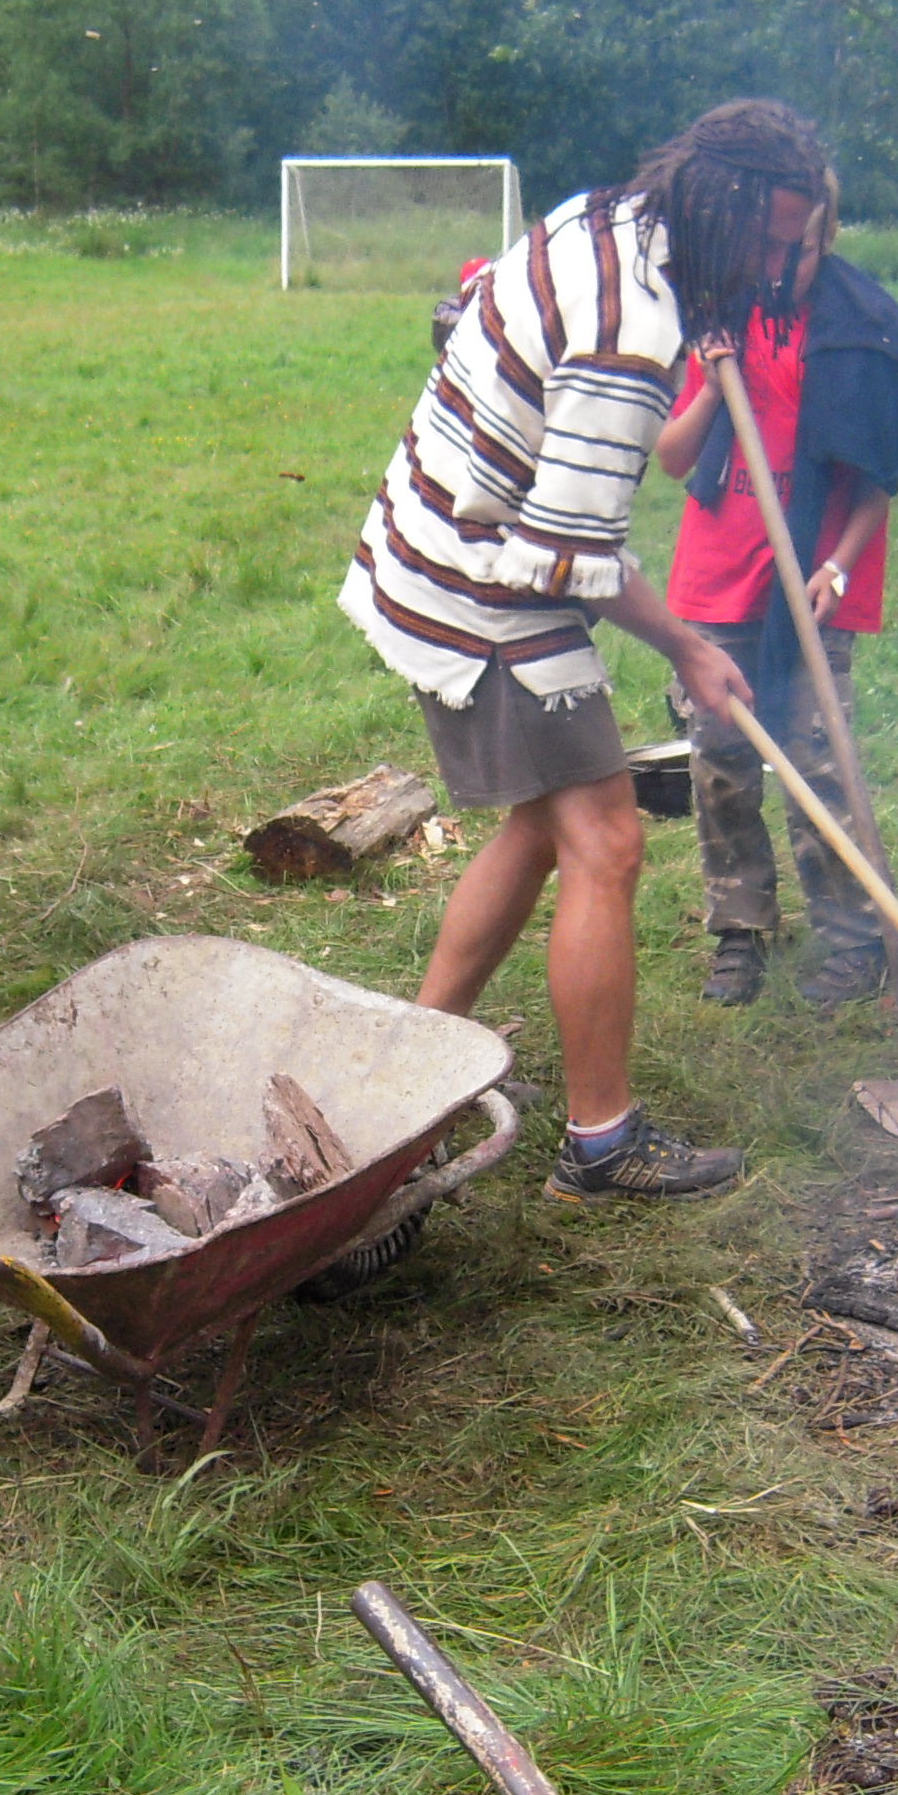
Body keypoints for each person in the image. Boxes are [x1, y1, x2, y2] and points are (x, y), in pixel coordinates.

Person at [339, 98, 830, 1203]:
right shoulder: (631, 330)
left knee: (544, 822)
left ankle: (412, 1077)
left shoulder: (609, 217)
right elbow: (570, 562)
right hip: (486, 581)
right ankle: (601, 1144)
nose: (772, 270)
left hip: (441, 541)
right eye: (767, 243)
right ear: (718, 206)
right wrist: (691, 648)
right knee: (606, 839)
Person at [651, 170, 898, 1009]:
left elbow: (877, 477)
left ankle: (853, 940)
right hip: (718, 581)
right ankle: (739, 930)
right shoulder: (723, 320)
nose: (784, 267)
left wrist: (839, 565)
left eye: (804, 249)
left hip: (815, 585)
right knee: (722, 760)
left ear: (828, 236)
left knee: (819, 762)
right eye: (772, 247)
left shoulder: (856, 333)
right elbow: (672, 458)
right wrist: (715, 385)